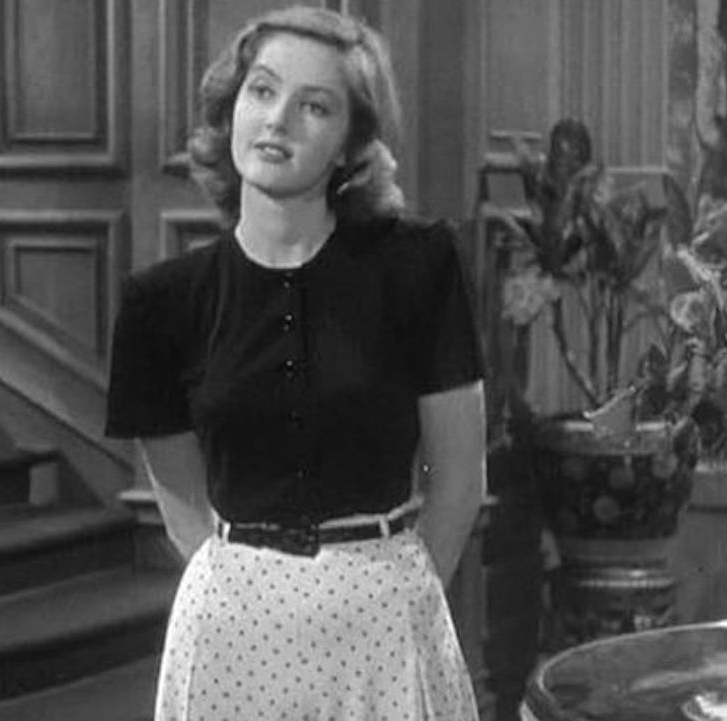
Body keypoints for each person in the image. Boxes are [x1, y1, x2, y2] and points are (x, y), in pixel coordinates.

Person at [105, 6, 486, 719]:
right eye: (262, 91)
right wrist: (258, 593)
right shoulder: (160, 303)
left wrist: (386, 597)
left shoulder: (419, 265)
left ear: (349, 146)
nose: (278, 120)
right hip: (230, 634)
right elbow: (182, 502)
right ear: (231, 109)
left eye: (315, 106)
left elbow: (460, 482)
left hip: (383, 623)